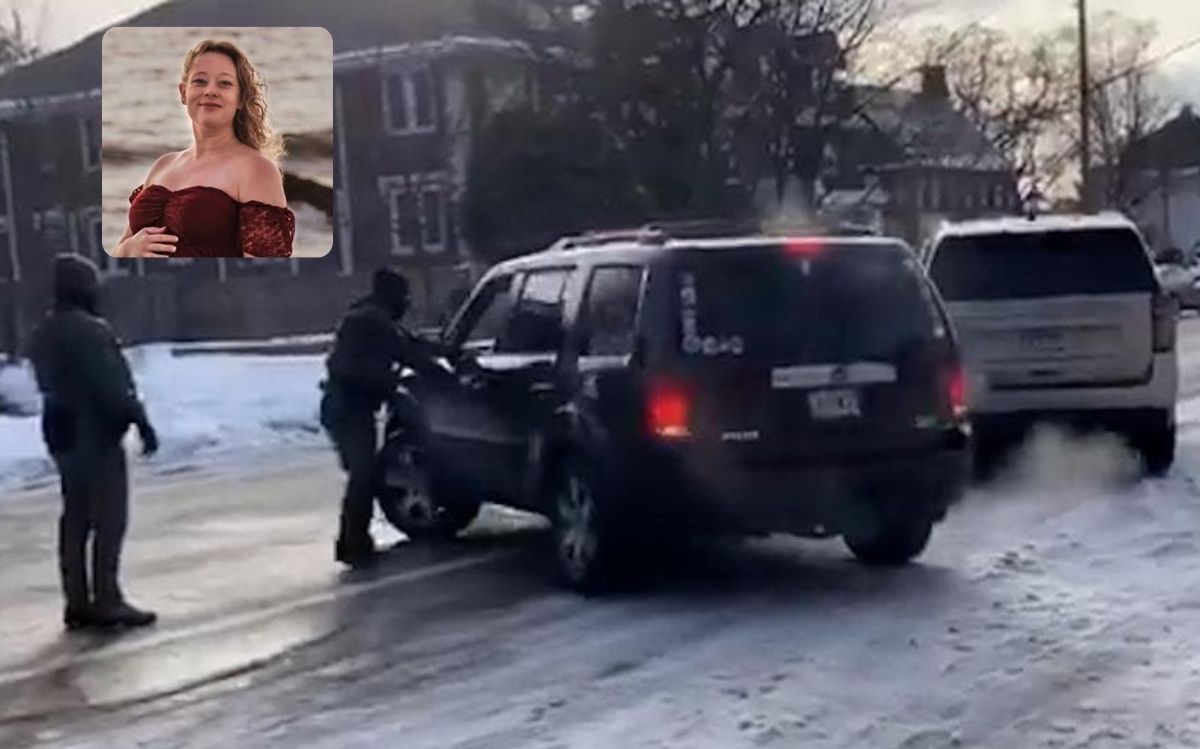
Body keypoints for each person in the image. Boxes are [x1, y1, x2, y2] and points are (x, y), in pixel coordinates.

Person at [28, 255, 160, 630]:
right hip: (94, 432)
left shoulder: (44, 331)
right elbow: (110, 384)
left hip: (61, 428)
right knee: (109, 518)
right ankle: (107, 598)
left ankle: (77, 599)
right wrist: (138, 419)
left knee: (75, 518)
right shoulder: (89, 331)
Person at [114, 39, 294, 259]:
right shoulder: (163, 165)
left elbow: (265, 270)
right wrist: (126, 250)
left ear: (240, 98)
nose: (210, 91)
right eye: (200, 81)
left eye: (224, 83)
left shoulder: (257, 169)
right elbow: (117, 252)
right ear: (183, 92)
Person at [320, 268, 446, 568]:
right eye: (404, 297)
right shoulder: (372, 321)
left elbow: (409, 343)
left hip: (349, 407)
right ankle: (352, 544)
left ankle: (355, 540)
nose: (407, 303)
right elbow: (407, 352)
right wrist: (441, 373)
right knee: (363, 473)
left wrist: (444, 349)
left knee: (366, 472)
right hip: (347, 408)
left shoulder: (371, 317)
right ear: (391, 296)